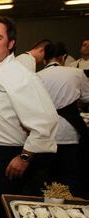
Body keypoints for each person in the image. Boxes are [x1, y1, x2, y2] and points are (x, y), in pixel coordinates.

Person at [0, 16, 58, 218]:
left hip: (6, 160)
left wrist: (25, 157)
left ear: (10, 44)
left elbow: (46, 122)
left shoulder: (21, 76)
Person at [37, 42, 89, 198]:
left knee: (44, 179)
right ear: (63, 57)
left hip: (45, 134)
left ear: (44, 59)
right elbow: (87, 97)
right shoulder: (76, 73)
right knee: (69, 178)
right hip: (69, 133)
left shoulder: (37, 76)